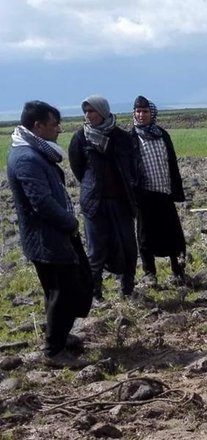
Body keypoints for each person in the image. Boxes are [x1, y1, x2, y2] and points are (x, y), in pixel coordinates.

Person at [7, 100, 92, 368]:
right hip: (47, 237)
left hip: (54, 234)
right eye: (54, 124)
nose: (59, 129)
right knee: (62, 291)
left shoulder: (34, 151)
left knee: (62, 289)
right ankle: (54, 351)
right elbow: (41, 202)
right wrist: (69, 222)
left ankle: (60, 336)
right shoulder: (26, 158)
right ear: (38, 126)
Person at [69, 95, 141, 300]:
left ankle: (127, 288)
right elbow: (78, 168)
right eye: (86, 111)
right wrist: (93, 185)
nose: (88, 115)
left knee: (128, 246)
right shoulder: (80, 138)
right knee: (96, 250)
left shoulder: (121, 137)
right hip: (95, 203)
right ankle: (96, 294)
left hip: (121, 201)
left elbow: (132, 165)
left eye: (92, 110)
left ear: (103, 111)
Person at [130, 96, 187, 286]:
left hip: (164, 191)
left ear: (151, 113)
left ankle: (177, 269)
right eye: (138, 111)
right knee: (145, 235)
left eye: (145, 111)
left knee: (171, 231)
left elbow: (172, 162)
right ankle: (149, 273)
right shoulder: (131, 138)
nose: (141, 115)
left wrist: (175, 189)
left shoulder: (162, 134)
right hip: (143, 194)